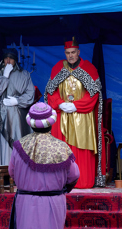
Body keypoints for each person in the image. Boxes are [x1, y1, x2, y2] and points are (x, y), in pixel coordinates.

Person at [7, 103, 80, 229]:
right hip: (52, 203)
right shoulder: (61, 147)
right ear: (51, 123)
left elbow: (11, 172)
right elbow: (74, 175)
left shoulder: (19, 146)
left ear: (30, 123)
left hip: (25, 202)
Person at [44, 37, 105, 188]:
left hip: (83, 118)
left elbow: (94, 94)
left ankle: (83, 181)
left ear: (79, 52)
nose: (70, 55)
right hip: (62, 116)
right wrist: (60, 104)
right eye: (67, 53)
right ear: (64, 53)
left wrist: (77, 106)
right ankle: (61, 181)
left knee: (81, 151)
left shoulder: (89, 69)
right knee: (62, 150)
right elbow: (50, 93)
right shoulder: (58, 68)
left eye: (73, 52)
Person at [0, 48, 35, 165]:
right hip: (0, 116)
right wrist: (4, 76)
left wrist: (17, 101)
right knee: (1, 142)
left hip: (17, 117)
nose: (8, 61)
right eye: (6, 58)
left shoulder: (24, 74)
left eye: (11, 58)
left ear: (15, 60)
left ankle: (18, 172)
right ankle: (3, 171)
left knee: (17, 141)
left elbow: (30, 95)